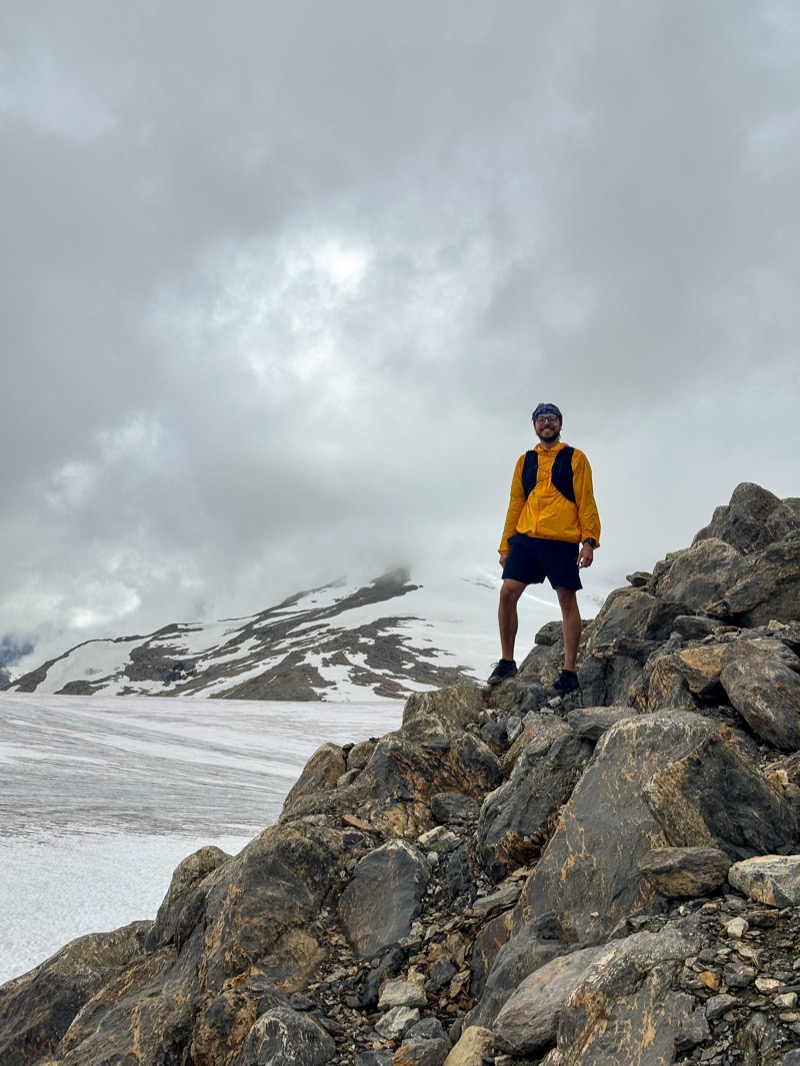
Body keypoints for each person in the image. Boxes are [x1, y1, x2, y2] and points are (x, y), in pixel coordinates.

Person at [487, 403, 601, 694]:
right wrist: (505, 545)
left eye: (551, 419)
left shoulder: (576, 458)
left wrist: (589, 541)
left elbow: (585, 500)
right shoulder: (525, 461)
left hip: (561, 539)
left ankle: (569, 671)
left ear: (560, 425)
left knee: (566, 600)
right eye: (541, 419)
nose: (546, 423)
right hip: (526, 538)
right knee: (507, 593)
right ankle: (507, 661)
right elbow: (516, 503)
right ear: (535, 426)